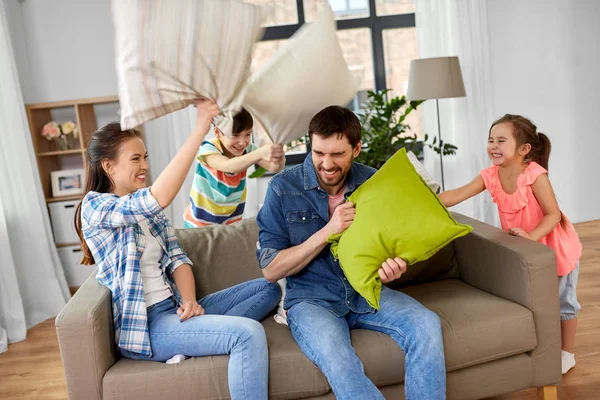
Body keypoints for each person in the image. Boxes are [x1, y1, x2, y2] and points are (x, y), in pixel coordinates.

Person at [74, 100, 281, 399]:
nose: (145, 165)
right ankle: (206, 336)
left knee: (270, 288)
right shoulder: (95, 206)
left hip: (175, 310)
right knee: (246, 335)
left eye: (145, 157)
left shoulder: (148, 210)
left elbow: (177, 259)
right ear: (108, 165)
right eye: (135, 159)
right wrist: (200, 129)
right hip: (149, 325)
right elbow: (160, 197)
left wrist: (189, 303)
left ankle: (200, 335)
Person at [256, 105, 446, 399]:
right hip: (311, 301)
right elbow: (270, 269)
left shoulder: (372, 183)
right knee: (338, 357)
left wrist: (392, 268)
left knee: (426, 323)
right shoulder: (283, 188)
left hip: (365, 292)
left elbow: (387, 246)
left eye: (337, 154)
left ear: (356, 149)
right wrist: (327, 231)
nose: (326, 163)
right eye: (319, 153)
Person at [439, 114, 582, 375]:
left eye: (501, 140)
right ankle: (545, 346)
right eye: (491, 140)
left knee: (565, 303)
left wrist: (532, 236)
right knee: (536, 299)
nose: (493, 145)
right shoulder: (490, 175)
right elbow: (457, 194)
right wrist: (427, 199)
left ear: (524, 149)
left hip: (556, 247)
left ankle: (566, 354)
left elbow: (553, 214)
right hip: (527, 251)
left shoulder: (535, 175)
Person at [184, 108, 285, 227]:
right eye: (235, 135)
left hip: (230, 222)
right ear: (217, 132)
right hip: (199, 223)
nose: (242, 142)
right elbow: (229, 166)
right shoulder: (208, 148)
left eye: (247, 134)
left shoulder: (248, 150)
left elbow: (274, 168)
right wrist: (260, 153)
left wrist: (279, 155)